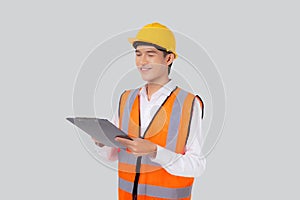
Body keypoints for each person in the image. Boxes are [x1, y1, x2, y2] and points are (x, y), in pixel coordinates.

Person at [93, 22, 206, 200]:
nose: (142, 61)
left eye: (150, 54)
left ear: (168, 59)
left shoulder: (189, 103)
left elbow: (197, 165)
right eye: (138, 54)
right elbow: (112, 155)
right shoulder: (126, 99)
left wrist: (155, 151)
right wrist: (102, 142)